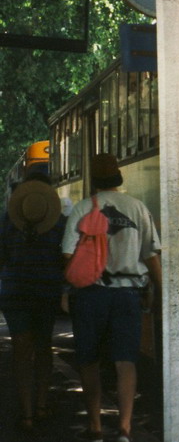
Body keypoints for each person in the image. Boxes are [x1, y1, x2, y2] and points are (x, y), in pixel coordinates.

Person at [62, 154, 162, 442]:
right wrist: (158, 290)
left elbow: (68, 255)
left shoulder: (82, 209)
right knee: (125, 361)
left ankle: (94, 426)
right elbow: (150, 254)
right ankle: (125, 428)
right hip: (127, 294)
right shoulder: (137, 208)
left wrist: (67, 290)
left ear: (94, 180)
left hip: (90, 294)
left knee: (89, 360)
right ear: (118, 178)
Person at [0, 173, 66, 435]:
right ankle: (41, 406)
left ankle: (26, 413)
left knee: (21, 352)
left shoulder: (6, 223)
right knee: (43, 348)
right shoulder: (59, 224)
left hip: (15, 293)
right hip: (46, 293)